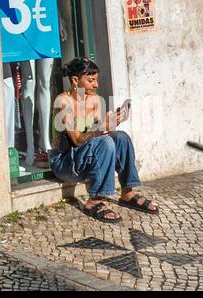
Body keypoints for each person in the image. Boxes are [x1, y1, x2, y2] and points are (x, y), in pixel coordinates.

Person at [50, 58, 156, 222]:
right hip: (65, 162)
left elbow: (100, 135)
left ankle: (127, 192)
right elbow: (78, 140)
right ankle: (95, 201)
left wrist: (111, 122)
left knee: (121, 137)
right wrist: (100, 129)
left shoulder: (95, 100)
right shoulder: (64, 103)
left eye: (96, 80)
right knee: (105, 142)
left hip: (85, 158)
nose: (96, 85)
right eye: (91, 80)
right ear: (75, 80)